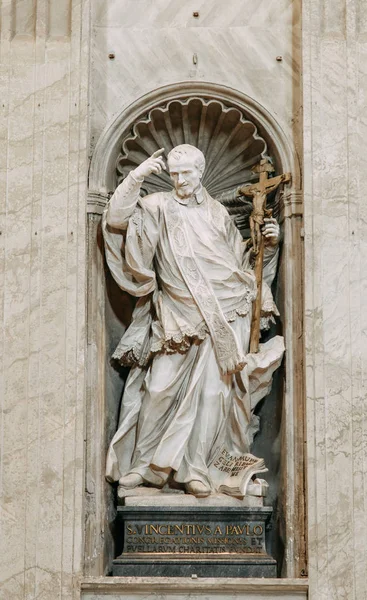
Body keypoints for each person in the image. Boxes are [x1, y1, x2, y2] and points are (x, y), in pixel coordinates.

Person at [103, 144, 284, 498]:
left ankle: (195, 469)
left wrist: (270, 246)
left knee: (212, 396)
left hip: (225, 315)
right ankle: (144, 467)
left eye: (185, 173)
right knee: (158, 389)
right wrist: (138, 177)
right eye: (172, 173)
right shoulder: (157, 207)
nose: (179, 179)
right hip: (176, 315)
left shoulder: (218, 214)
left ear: (200, 172)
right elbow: (115, 220)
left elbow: (242, 268)